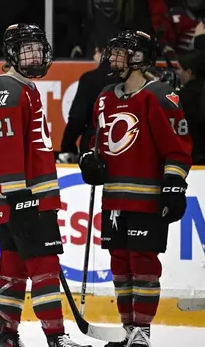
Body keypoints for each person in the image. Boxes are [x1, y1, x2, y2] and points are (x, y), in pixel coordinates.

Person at [79, 30, 193, 347]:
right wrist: (89, 158)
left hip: (147, 199)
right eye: (113, 52)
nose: (113, 58)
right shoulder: (104, 96)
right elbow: (95, 141)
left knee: (143, 264)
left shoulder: (160, 95)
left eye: (120, 53)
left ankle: (142, 332)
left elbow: (178, 147)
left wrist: (173, 183)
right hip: (113, 199)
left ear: (139, 58)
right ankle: (129, 331)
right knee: (120, 263)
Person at [0, 23, 90, 347]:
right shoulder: (8, 89)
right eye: (26, 49)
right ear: (11, 53)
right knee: (44, 266)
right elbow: (4, 148)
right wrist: (19, 196)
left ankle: (7, 336)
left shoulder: (25, 87)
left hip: (25, 197)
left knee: (13, 267)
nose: (34, 55)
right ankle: (55, 337)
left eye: (37, 49)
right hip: (24, 198)